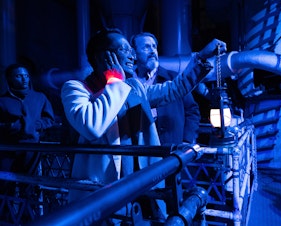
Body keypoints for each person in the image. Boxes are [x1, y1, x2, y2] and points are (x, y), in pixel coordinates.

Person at [61, 27, 226, 220]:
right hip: (101, 190)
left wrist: (201, 59)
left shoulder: (134, 87)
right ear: (103, 57)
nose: (132, 56)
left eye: (131, 50)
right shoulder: (75, 89)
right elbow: (91, 125)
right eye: (124, 50)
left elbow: (173, 89)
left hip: (140, 184)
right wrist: (114, 80)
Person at [130, 32, 200, 145]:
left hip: (171, 150)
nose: (152, 51)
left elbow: (192, 110)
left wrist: (187, 140)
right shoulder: (128, 83)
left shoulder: (173, 79)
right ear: (134, 53)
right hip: (139, 150)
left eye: (154, 47)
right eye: (146, 47)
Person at [0, 63, 55, 195]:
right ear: (10, 79)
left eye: (26, 76)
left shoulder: (39, 97)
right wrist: (11, 126)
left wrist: (36, 125)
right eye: (19, 76)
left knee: (29, 187)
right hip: (8, 150)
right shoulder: (2, 101)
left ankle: (29, 216)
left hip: (32, 148)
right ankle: (6, 215)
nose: (24, 79)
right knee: (5, 187)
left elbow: (50, 119)